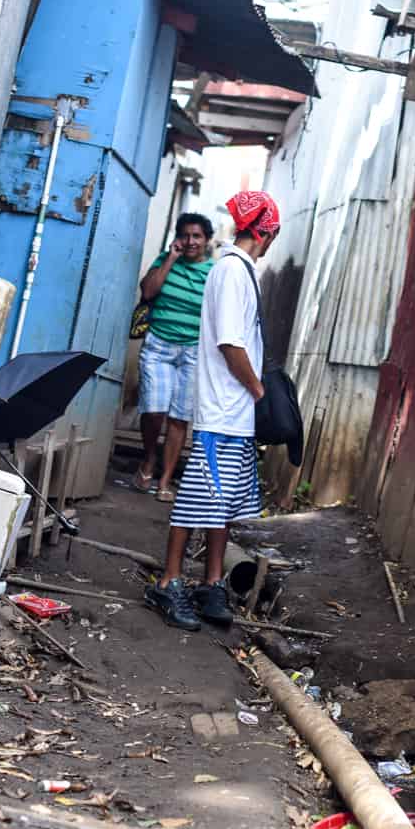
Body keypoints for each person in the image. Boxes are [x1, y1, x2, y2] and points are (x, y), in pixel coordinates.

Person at [145, 191, 281, 631]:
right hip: (221, 410)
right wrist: (259, 390)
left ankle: (212, 582)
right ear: (267, 231)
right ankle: (168, 582)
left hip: (233, 411)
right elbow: (229, 343)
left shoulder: (242, 271)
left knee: (221, 505)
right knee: (196, 501)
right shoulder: (230, 272)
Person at [135, 214, 215, 501]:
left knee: (180, 418)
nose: (191, 241)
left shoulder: (214, 272)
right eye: (185, 235)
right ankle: (149, 459)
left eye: (197, 236)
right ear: (178, 238)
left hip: (193, 351)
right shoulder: (165, 260)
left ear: (207, 240)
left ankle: (165, 480)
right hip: (159, 346)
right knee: (154, 411)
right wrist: (170, 259)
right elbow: (148, 291)